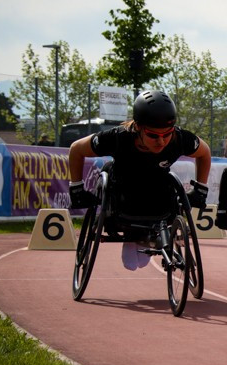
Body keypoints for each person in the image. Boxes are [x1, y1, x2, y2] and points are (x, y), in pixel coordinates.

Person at [67, 90, 212, 270]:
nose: (161, 141)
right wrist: (76, 188)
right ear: (137, 127)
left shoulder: (180, 139)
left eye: (167, 134)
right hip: (122, 194)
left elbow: (204, 152)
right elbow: (76, 149)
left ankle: (143, 237)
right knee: (132, 263)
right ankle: (133, 236)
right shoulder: (117, 138)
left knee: (137, 261)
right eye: (153, 135)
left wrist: (200, 188)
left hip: (158, 195)